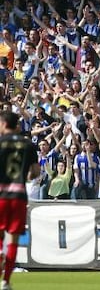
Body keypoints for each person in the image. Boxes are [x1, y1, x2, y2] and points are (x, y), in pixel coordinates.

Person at [0, 111, 40, 290]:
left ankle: (0, 251)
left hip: (1, 194)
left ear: (3, 124)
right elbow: (35, 173)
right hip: (19, 195)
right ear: (17, 125)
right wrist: (27, 174)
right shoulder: (28, 145)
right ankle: (6, 281)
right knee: (13, 239)